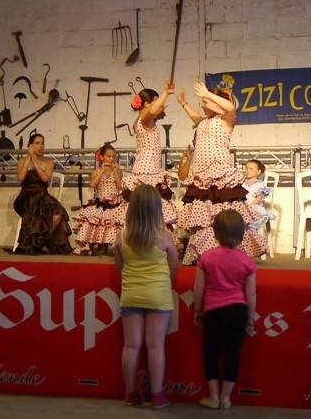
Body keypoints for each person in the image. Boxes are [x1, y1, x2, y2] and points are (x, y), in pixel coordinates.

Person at [176, 82, 266, 265]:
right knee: (204, 220)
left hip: (220, 178)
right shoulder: (204, 123)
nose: (203, 105)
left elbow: (230, 107)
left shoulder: (225, 121)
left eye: (205, 102)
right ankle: (206, 254)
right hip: (203, 178)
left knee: (224, 218)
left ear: (217, 103)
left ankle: (229, 254)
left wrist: (208, 94)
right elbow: (196, 117)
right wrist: (183, 103)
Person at [113, 184, 180, 409]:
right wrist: (166, 285)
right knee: (155, 346)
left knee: (131, 346)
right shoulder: (165, 237)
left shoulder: (121, 237)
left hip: (131, 294)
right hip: (159, 295)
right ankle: (158, 395)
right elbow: (174, 267)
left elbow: (120, 267)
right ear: (157, 209)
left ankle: (131, 393)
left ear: (132, 209)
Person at [192, 209, 257, 410]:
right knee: (232, 354)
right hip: (238, 311)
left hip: (213, 311)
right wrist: (250, 317)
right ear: (241, 233)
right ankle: (226, 398)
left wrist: (197, 311)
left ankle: (213, 396)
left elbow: (198, 287)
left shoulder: (207, 257)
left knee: (210, 353)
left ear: (215, 232)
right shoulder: (247, 261)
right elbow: (251, 294)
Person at [113, 82, 179, 247]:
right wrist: (166, 93)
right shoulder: (145, 120)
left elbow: (151, 113)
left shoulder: (141, 120)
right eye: (156, 101)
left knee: (146, 207)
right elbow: (150, 113)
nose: (160, 104)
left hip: (147, 168)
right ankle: (152, 243)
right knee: (151, 206)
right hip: (147, 170)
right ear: (148, 104)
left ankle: (146, 242)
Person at [11, 133, 72, 255]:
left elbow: (45, 179)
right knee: (37, 206)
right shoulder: (22, 161)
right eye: (37, 143)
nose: (40, 146)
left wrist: (36, 163)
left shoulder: (49, 163)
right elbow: (21, 177)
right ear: (30, 146)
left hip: (42, 195)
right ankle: (37, 243)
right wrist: (29, 158)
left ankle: (40, 242)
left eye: (42, 143)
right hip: (26, 196)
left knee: (59, 213)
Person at [72, 143, 123, 255]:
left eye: (113, 156)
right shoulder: (96, 171)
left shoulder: (117, 171)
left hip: (115, 203)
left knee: (116, 219)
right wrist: (101, 172)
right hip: (101, 202)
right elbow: (93, 184)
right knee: (94, 218)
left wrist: (115, 173)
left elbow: (120, 188)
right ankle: (95, 243)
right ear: (101, 157)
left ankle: (114, 245)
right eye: (108, 156)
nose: (111, 159)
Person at [242, 159, 276, 232]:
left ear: (258, 172)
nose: (248, 171)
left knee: (252, 215)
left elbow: (258, 199)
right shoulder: (242, 184)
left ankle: (252, 233)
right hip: (243, 207)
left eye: (251, 169)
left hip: (254, 207)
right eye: (247, 168)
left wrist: (249, 207)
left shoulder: (259, 184)